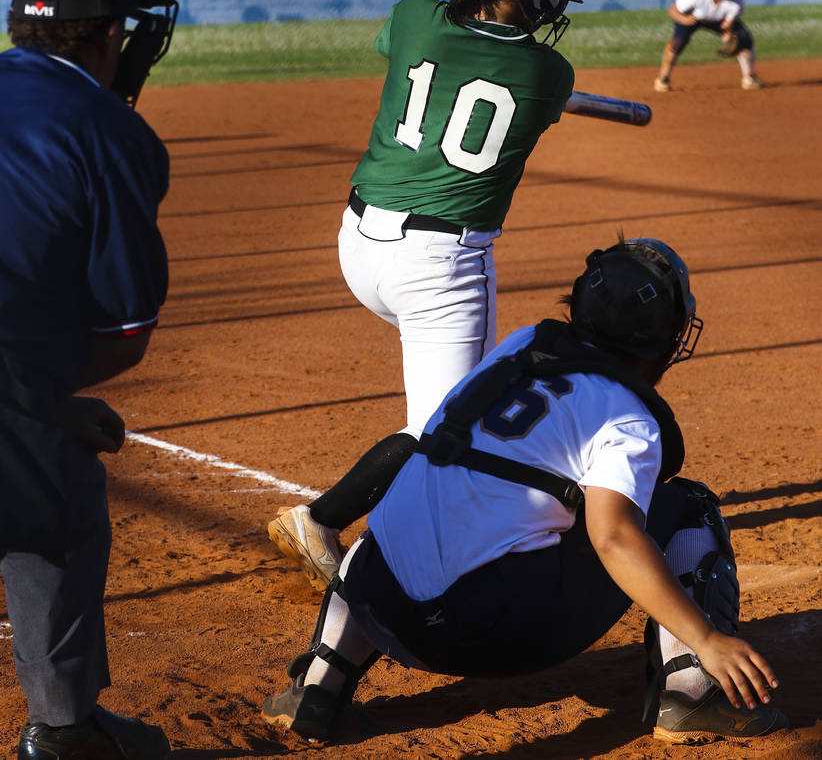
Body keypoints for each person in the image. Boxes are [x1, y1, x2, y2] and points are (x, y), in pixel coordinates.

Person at [261, 237, 788, 747]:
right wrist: (708, 637)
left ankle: (318, 687)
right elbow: (614, 539)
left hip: (383, 611)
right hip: (493, 638)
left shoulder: (518, 347)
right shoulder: (626, 416)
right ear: (668, 337)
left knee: (410, 509)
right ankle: (693, 693)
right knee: (684, 507)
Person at [267, 0, 580, 591]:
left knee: (467, 396)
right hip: (439, 271)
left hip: (358, 247)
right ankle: (322, 519)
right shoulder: (549, 74)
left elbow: (436, 53)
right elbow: (509, 79)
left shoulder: (412, 18)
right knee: (445, 428)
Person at [0, 0, 178, 760]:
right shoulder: (114, 133)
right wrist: (43, 408)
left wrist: (38, 406)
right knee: (58, 507)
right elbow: (121, 334)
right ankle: (65, 731)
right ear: (112, 36)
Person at [654, 0, 761, 92]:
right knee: (677, 43)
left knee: (744, 40)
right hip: (691, 17)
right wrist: (684, 20)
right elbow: (672, 11)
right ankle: (663, 79)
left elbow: (728, 23)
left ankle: (749, 78)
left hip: (718, 19)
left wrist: (728, 33)